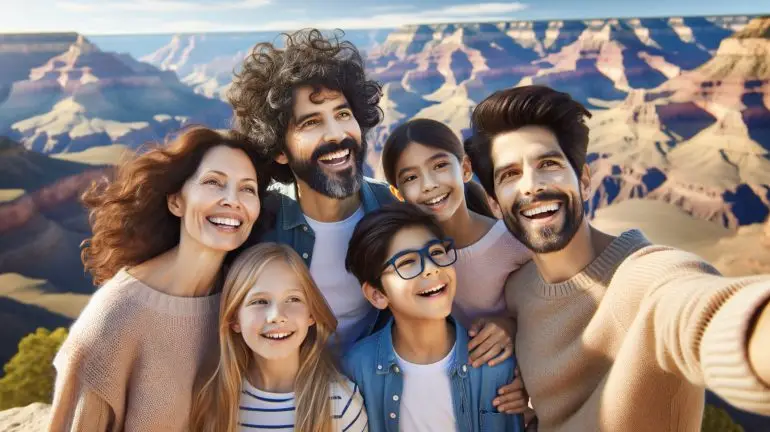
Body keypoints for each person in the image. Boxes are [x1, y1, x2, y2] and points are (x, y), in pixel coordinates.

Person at [465, 84, 770, 431]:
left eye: (547, 163)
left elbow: (700, 309)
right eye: (510, 174)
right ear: (493, 204)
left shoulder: (647, 276)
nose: (531, 186)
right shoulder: (517, 292)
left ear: (583, 180)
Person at [48, 126, 270, 431]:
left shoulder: (245, 303)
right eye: (213, 182)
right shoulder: (114, 319)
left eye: (247, 188)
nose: (232, 200)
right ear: (176, 201)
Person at [229, 29, 395, 349]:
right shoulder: (257, 223)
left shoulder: (395, 208)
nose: (336, 134)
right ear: (279, 149)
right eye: (311, 122)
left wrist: (501, 322)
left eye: (343, 114)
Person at [343, 202, 526, 432]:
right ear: (378, 294)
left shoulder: (497, 364)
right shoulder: (356, 370)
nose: (431, 268)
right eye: (407, 262)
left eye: (436, 252)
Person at [381, 118, 532, 370]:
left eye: (439, 165)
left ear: (464, 168)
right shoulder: (406, 264)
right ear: (398, 195)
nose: (429, 185)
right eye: (411, 178)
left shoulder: (515, 240)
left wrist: (511, 326)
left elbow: (547, 314)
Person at [190, 243, 367, 432]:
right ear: (235, 318)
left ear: (311, 314)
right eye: (259, 301)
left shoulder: (341, 403)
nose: (276, 315)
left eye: (293, 299)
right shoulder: (212, 398)